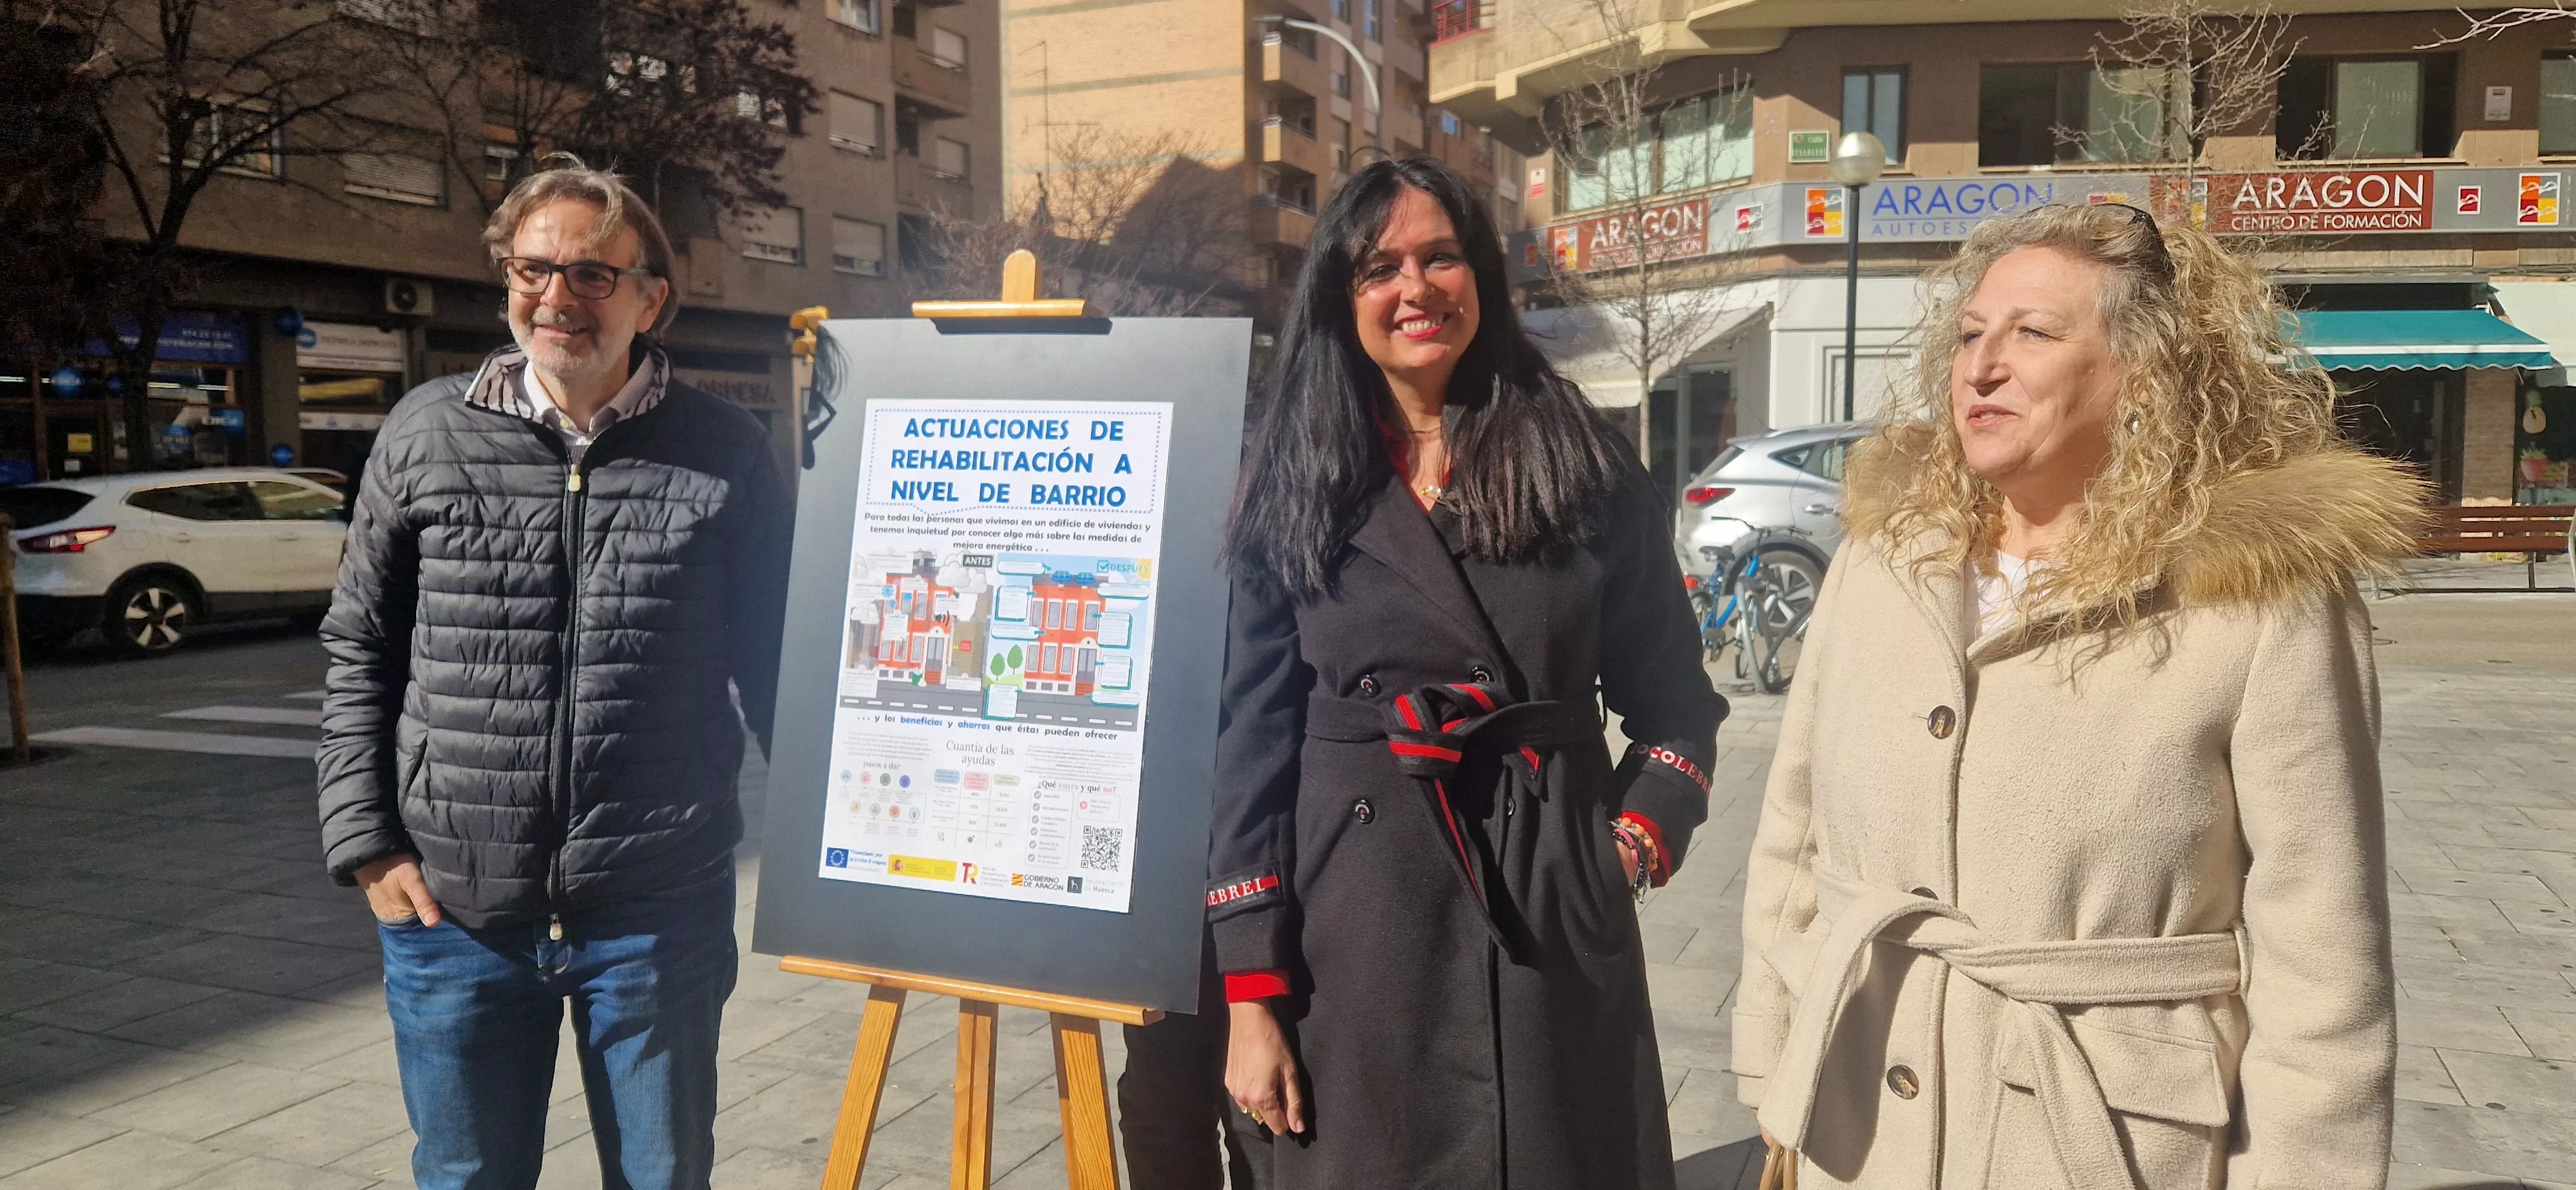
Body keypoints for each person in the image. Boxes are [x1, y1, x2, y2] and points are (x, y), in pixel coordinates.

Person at [1733, 203, 2414, 1189]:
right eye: (1970, 335)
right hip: (1855, 1124)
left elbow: (2324, 954)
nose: (1981, 366)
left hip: (2102, 1142)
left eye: (2033, 334)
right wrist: (1773, 1054)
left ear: (2143, 372)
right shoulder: (1885, 558)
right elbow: (1791, 835)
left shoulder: (2263, 602)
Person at [1209, 156, 1727, 1189]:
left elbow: (1678, 708)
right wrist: (1250, 994)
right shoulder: (1293, 478)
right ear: (1338, 296)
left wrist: (1621, 850)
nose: (1415, 289)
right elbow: (1251, 742)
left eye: (1440, 257)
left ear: (1481, 275)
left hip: (1549, 925)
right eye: (1380, 267)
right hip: (1352, 936)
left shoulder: (1579, 458)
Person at [316, 156, 793, 1190]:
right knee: (468, 1177)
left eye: (592, 275)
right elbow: (361, 648)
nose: (558, 298)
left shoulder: (725, 449)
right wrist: (365, 843)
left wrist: (844, 847)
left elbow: (776, 664)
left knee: (666, 1178)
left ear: (649, 297)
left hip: (657, 909)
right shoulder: (425, 433)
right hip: (455, 914)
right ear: (506, 281)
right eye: (535, 271)